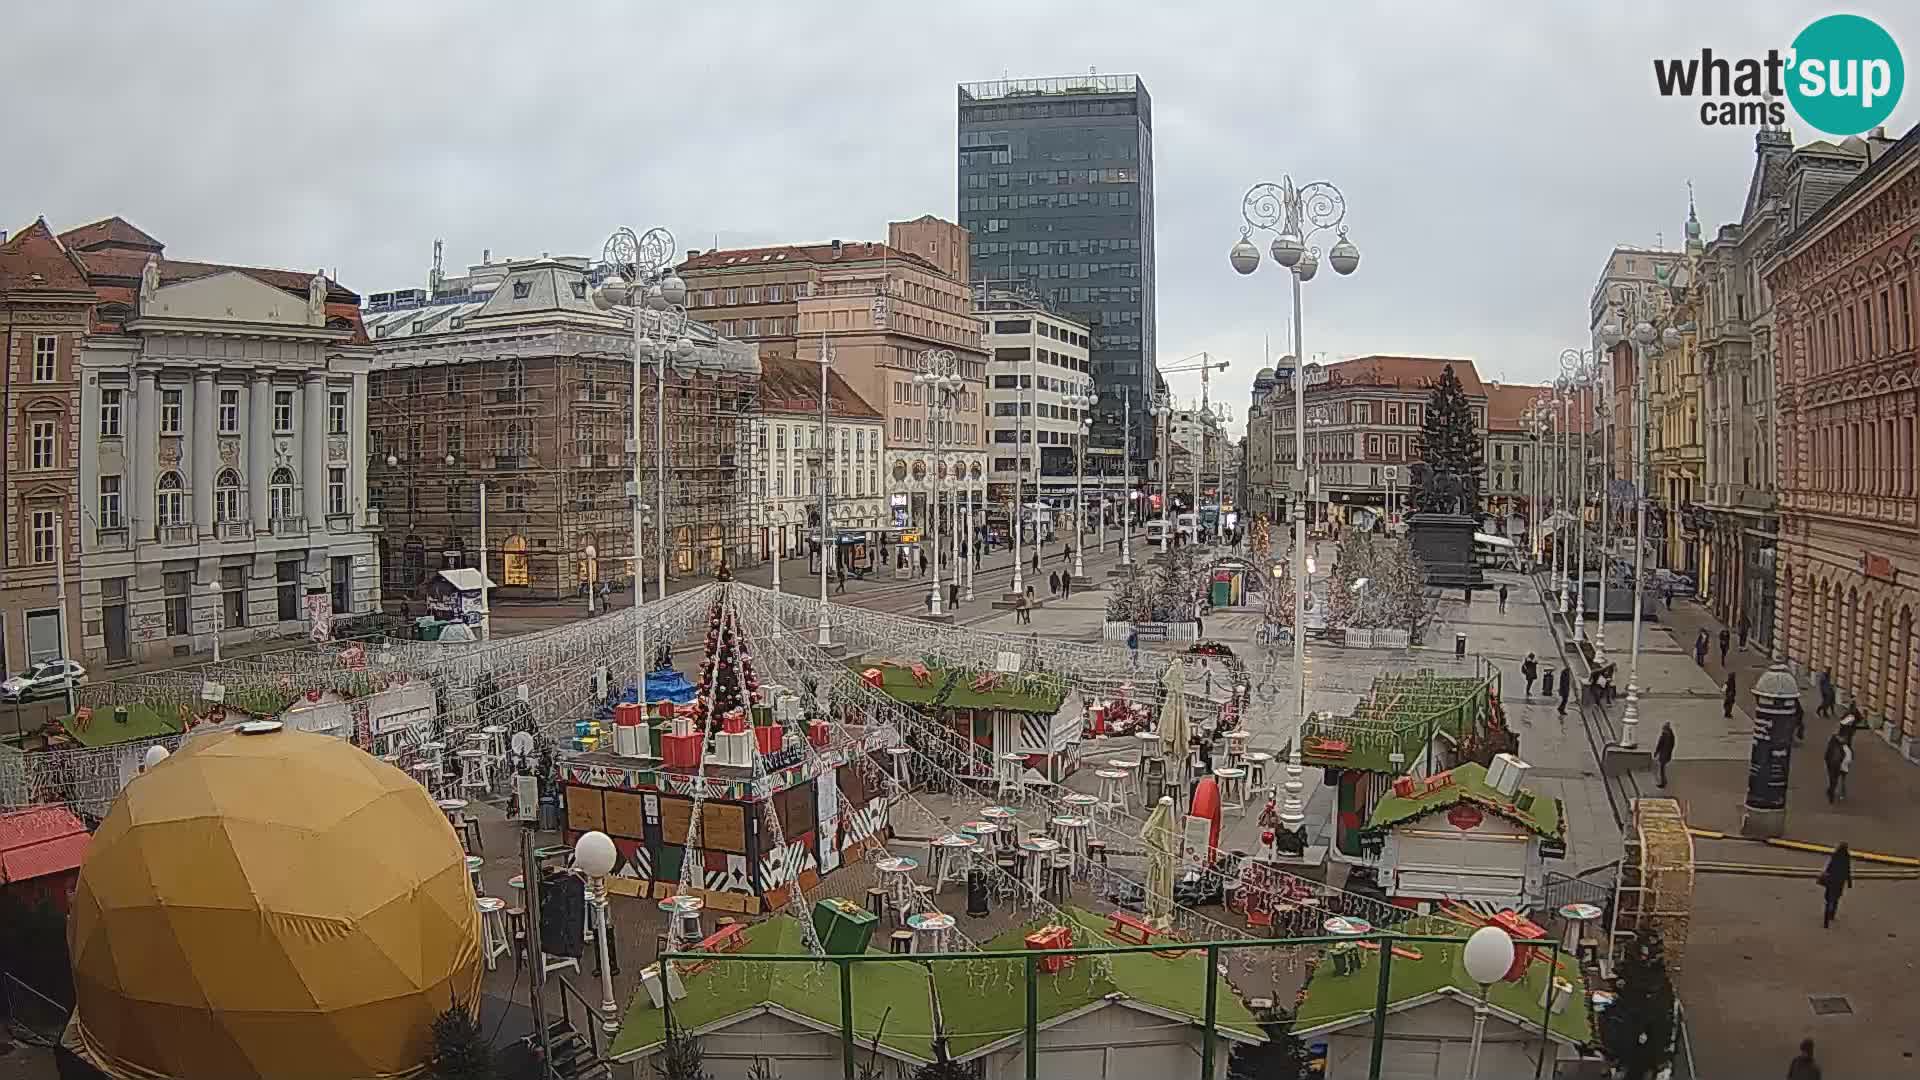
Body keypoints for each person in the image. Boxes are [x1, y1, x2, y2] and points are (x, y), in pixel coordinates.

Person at [1819, 844, 1852, 929]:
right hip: (1840, 882)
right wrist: (1849, 882)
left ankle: (1826, 921)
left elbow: (1829, 867)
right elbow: (1847, 870)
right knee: (1836, 898)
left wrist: (1825, 874)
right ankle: (1832, 914)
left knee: (1828, 899)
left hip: (1831, 880)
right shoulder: (1846, 858)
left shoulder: (1835, 856)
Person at [1823, 726, 1853, 802]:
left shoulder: (1837, 741)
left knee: (1835, 777)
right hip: (1835, 761)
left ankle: (1834, 789)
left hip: (1835, 761)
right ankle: (1836, 790)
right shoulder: (1838, 742)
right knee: (1837, 777)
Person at [1654, 721, 1675, 788]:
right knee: (1662, 768)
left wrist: (1656, 752)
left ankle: (1663, 783)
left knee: (1661, 769)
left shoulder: (1664, 735)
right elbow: (1672, 745)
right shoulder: (1671, 735)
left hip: (1663, 754)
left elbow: (1659, 745)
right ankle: (1664, 781)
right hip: (1667, 754)